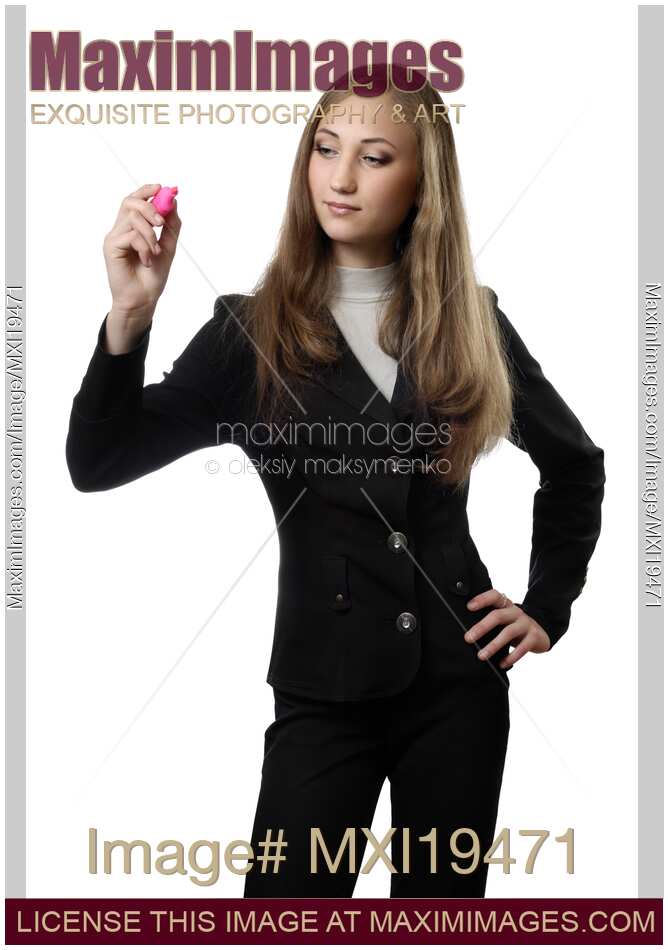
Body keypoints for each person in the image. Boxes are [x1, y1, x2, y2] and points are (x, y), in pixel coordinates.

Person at [66, 67, 606, 897]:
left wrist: (546, 605)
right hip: (322, 691)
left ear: (424, 179)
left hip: (458, 688)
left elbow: (575, 464)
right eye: (325, 148)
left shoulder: (472, 317)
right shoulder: (247, 333)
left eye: (375, 155)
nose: (341, 178)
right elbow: (97, 463)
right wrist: (129, 317)